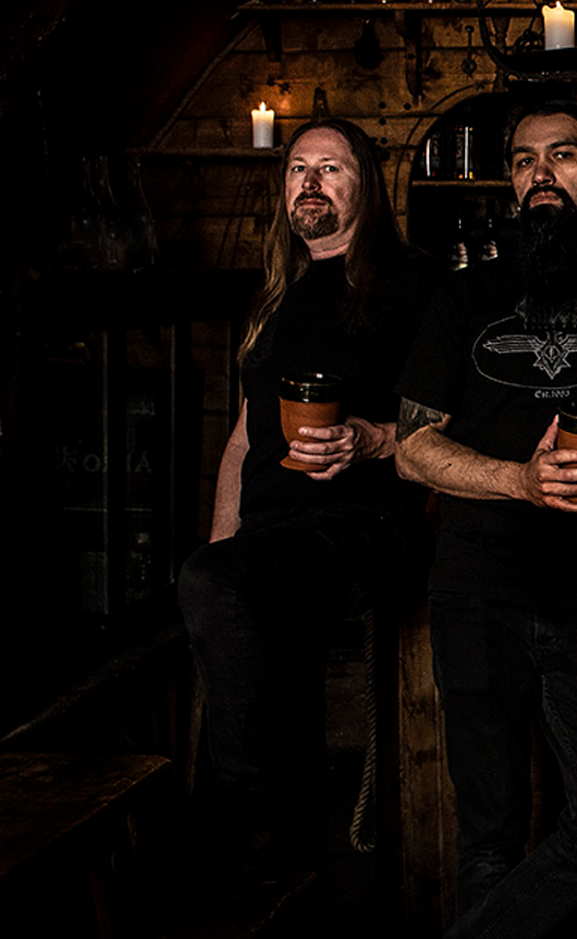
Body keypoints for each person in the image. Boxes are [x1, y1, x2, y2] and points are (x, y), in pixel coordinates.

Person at [393, 98, 577, 938]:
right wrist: (518, 481)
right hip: (478, 593)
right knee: (489, 834)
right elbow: (412, 446)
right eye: (524, 161)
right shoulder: (463, 294)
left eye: (562, 155)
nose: (540, 175)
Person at [176, 118, 437, 881]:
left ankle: (243, 814)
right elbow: (243, 438)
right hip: (274, 536)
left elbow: (456, 421)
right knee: (273, 682)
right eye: (298, 168)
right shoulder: (278, 293)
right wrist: (223, 553)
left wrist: (372, 438)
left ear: (367, 187)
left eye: (331, 168)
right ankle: (290, 878)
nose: (310, 182)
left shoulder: (413, 283)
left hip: (365, 522)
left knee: (225, 602)